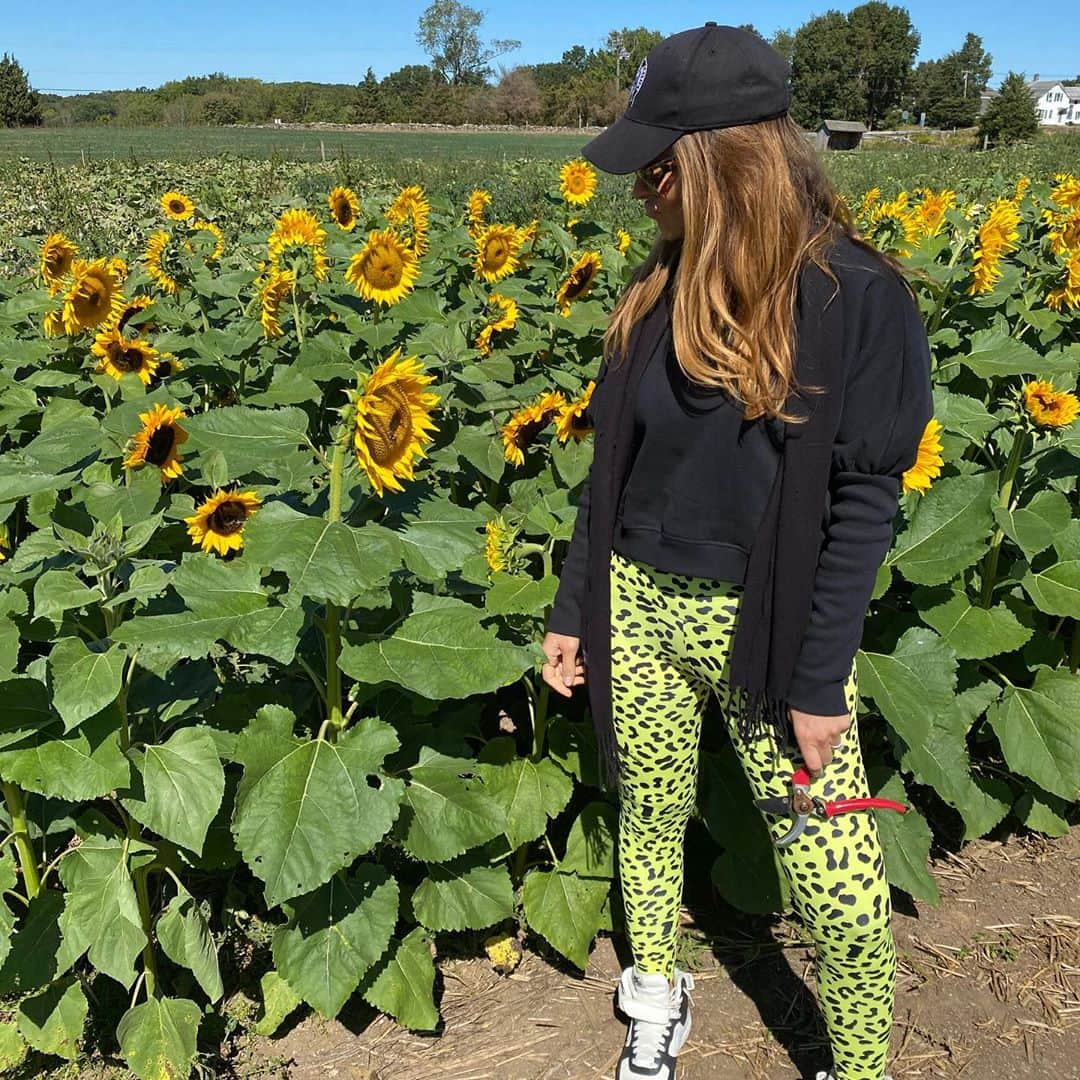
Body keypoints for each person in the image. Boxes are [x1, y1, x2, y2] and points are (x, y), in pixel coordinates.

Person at [540, 23, 934, 1080]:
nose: (638, 193)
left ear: (724, 165)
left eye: (656, 169)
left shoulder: (856, 298)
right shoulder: (655, 292)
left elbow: (862, 504)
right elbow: (608, 482)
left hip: (771, 634)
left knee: (843, 894)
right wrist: (577, 609)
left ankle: (858, 1067)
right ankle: (656, 999)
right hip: (639, 604)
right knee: (650, 817)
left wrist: (818, 684)